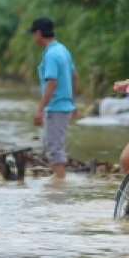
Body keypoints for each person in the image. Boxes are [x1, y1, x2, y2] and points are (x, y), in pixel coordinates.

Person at [29, 17, 78, 180]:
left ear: (38, 34)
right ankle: (56, 181)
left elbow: (52, 82)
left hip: (56, 107)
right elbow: (74, 76)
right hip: (64, 105)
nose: (33, 38)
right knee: (49, 146)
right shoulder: (63, 49)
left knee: (55, 149)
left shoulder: (51, 54)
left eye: (33, 34)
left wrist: (40, 110)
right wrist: (73, 101)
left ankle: (60, 186)